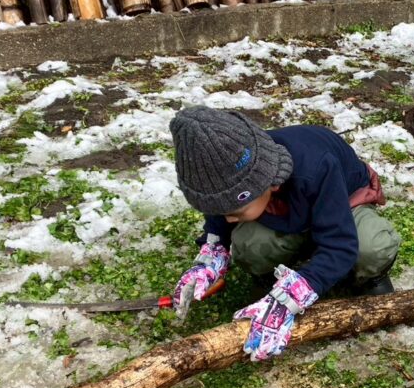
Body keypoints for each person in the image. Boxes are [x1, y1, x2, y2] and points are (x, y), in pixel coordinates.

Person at [169, 106, 401, 362]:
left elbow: (341, 245)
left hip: (342, 204)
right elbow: (220, 215)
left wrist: (291, 298)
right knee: (250, 245)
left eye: (235, 212)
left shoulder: (317, 166)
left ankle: (369, 278)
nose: (228, 220)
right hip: (285, 213)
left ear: (269, 184)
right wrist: (213, 251)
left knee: (370, 247)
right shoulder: (229, 173)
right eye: (219, 210)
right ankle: (271, 278)